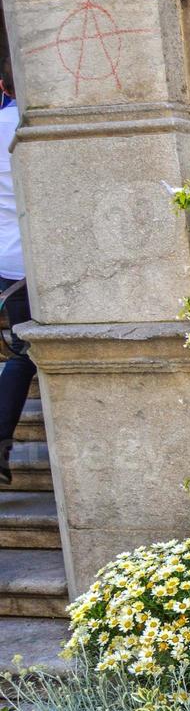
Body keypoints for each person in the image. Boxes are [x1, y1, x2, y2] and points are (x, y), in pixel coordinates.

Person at [0, 42, 32, 486]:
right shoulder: (27, 128)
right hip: (36, 262)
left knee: (24, 352)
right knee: (28, 353)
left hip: (6, 262)